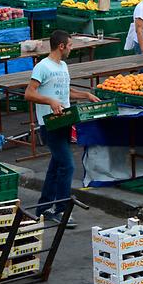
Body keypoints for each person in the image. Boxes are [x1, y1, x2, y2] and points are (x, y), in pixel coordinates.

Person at [23, 31, 99, 228]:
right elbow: (29, 94)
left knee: (56, 166)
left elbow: (65, 91)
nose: (72, 49)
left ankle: (44, 208)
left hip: (64, 121)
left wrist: (85, 95)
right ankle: (61, 210)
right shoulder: (42, 67)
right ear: (61, 46)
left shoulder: (63, 66)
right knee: (68, 166)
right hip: (49, 124)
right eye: (71, 45)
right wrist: (49, 100)